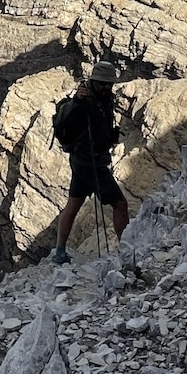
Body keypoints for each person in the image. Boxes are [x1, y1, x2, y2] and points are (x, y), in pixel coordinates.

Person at [50, 60, 129, 265]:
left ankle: (59, 252)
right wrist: (77, 101)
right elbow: (61, 121)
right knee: (120, 204)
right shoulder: (83, 100)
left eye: (109, 84)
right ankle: (126, 250)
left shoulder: (104, 98)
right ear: (94, 81)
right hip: (89, 162)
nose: (106, 87)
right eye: (103, 83)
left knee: (74, 204)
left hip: (84, 160)